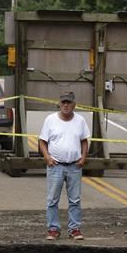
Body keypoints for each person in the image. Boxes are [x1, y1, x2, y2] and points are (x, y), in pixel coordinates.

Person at [39, 91, 90, 241]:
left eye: (69, 102)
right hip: (56, 165)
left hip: (74, 165)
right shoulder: (50, 120)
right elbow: (42, 141)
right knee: (52, 199)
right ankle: (53, 229)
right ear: (59, 104)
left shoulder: (80, 120)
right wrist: (47, 158)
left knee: (75, 199)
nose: (66, 105)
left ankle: (74, 229)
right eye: (63, 102)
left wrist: (83, 158)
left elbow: (84, 140)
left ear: (74, 104)